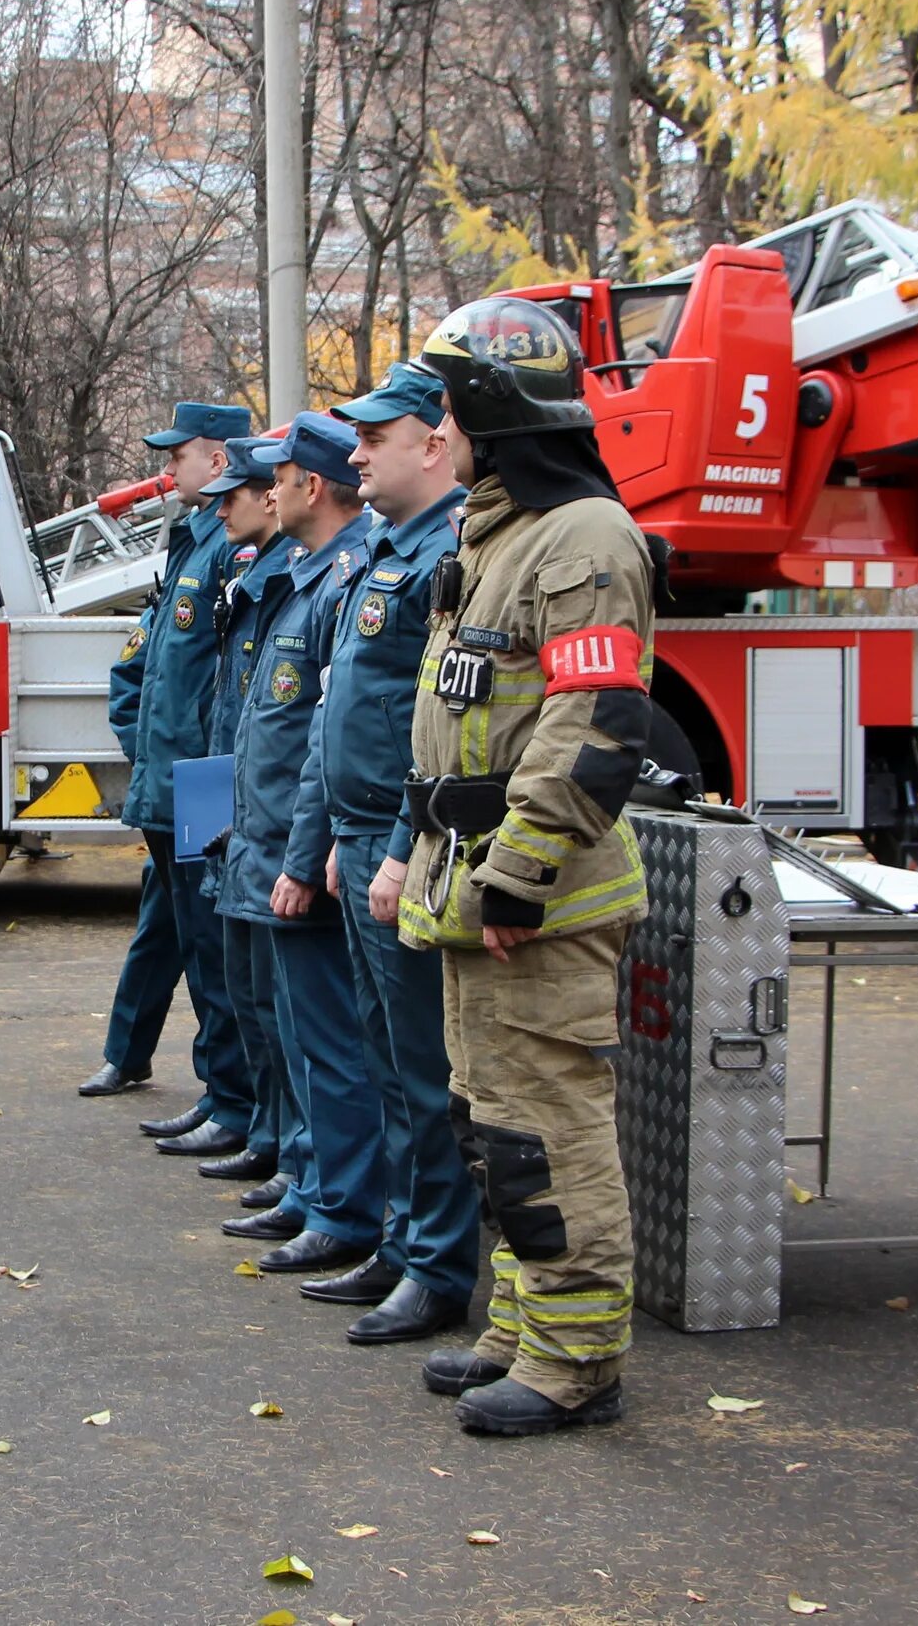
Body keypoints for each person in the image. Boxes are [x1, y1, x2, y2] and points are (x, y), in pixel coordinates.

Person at [393, 298, 655, 1437]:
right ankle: (522, 1324)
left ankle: (577, 1360)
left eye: (451, 407)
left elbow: (591, 722)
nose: (437, 428)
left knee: (550, 1130)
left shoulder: (586, 538)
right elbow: (456, 717)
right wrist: (424, 854)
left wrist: (517, 879)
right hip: (475, 881)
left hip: (535, 894)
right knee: (495, 1125)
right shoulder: (498, 534)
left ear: (496, 414)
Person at [287, 363, 480, 1344]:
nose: (355, 453)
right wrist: (335, 840)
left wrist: (399, 848)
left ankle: (441, 1266)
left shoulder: (448, 551)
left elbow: (436, 725)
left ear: (432, 445)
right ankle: (405, 1246)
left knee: (423, 1072)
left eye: (375, 437)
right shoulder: (386, 551)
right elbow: (345, 714)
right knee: (386, 1057)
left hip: (405, 844)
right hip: (361, 839)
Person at [221, 414, 380, 1277]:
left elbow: (328, 740)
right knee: (299, 1034)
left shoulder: (340, 582)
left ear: (310, 488)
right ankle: (317, 1186)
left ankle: (342, 1205)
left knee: (331, 1044)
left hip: (306, 853)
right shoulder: (307, 577)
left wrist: (298, 855)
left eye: (277, 479)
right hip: (278, 843)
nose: (269, 492)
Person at [84, 404, 251, 1103]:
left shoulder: (231, 548)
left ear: (217, 462)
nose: (165, 467)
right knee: (163, 926)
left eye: (176, 454)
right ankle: (127, 1054)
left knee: (208, 942)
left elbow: (227, 683)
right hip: (171, 780)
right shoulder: (190, 543)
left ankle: (223, 1094)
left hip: (204, 785)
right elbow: (140, 669)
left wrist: (191, 761)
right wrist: (146, 746)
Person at [184, 437, 296, 1190]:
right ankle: (249, 1120)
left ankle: (270, 1136)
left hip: (254, 803)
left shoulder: (283, 573)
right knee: (231, 976)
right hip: (218, 792)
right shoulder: (233, 561)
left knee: (268, 996)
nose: (220, 502)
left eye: (238, 489)